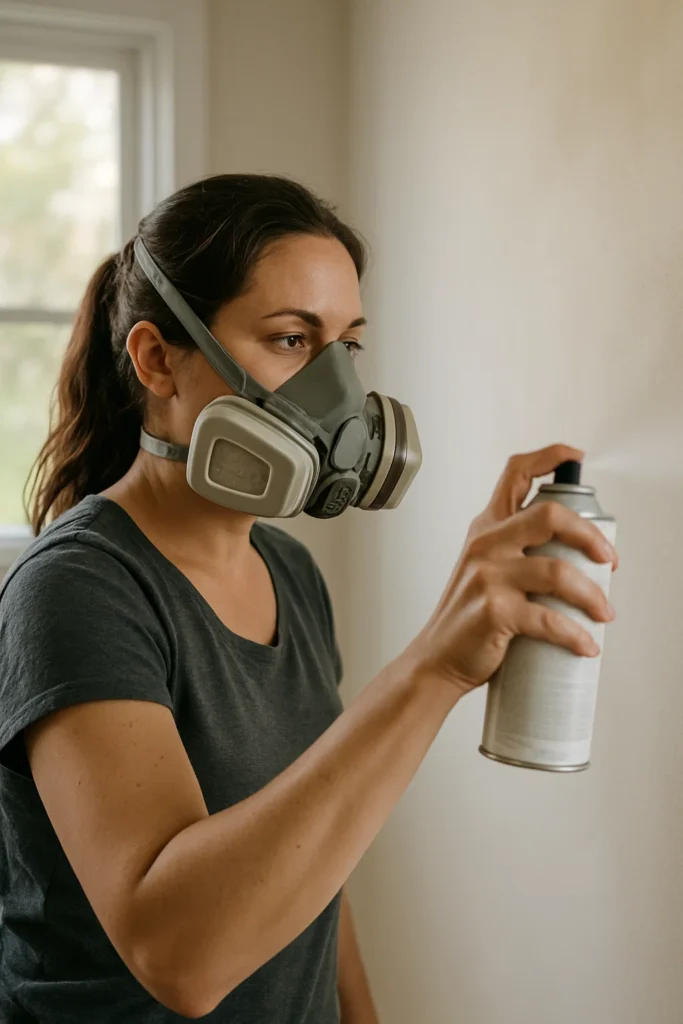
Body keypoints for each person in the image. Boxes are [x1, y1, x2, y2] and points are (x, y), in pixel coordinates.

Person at [0, 174, 617, 1024]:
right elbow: (180, 958)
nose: (335, 394)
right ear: (156, 359)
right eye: (292, 339)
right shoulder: (79, 589)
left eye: (346, 347)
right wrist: (432, 666)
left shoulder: (288, 572)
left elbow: (307, 860)